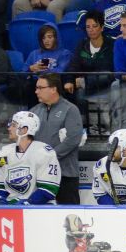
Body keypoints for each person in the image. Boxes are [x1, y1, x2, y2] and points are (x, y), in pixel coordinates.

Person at [29, 74, 82, 204]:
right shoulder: (34, 112)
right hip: (40, 175)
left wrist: (48, 157)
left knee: (69, 218)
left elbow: (73, 139)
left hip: (65, 174)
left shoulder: (70, 109)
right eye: (36, 88)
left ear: (53, 89)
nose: (36, 91)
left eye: (40, 88)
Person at [0, 111, 61, 205]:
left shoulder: (44, 153)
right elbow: (0, 188)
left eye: (13, 125)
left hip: (40, 210)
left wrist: (28, 204)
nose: (9, 128)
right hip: (11, 208)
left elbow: (48, 190)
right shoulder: (2, 155)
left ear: (24, 130)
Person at [67, 11, 116, 98]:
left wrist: (85, 81)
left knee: (106, 75)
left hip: (105, 85)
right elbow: (73, 66)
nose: (91, 30)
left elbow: (109, 69)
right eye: (88, 27)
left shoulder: (111, 44)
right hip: (87, 87)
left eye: (94, 26)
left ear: (102, 28)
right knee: (79, 94)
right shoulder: (82, 45)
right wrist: (69, 81)